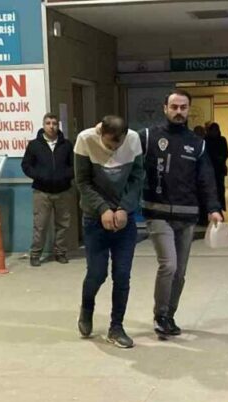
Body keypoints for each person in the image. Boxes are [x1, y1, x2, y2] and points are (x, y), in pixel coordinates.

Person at [140, 89, 223, 338]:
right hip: (157, 213)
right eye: (174, 107)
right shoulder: (148, 137)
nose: (178, 112)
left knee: (180, 272)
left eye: (183, 107)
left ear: (188, 110)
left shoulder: (197, 143)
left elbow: (206, 177)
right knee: (169, 265)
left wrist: (213, 208)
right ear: (165, 108)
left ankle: (169, 315)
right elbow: (121, 150)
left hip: (187, 215)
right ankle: (160, 315)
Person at [74, 115, 145, 349]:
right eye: (109, 144)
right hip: (95, 220)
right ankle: (87, 308)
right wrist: (103, 209)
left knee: (122, 275)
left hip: (125, 220)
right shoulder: (85, 140)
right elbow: (83, 182)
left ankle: (116, 327)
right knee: (97, 273)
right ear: (101, 134)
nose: (113, 149)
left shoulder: (133, 140)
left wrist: (124, 208)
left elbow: (137, 178)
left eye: (118, 144)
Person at [22, 113, 75, 267]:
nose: (51, 126)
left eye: (54, 123)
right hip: (42, 192)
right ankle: (35, 254)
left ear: (58, 125)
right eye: (48, 123)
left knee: (63, 224)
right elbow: (26, 165)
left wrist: (65, 176)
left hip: (63, 190)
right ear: (43, 125)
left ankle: (60, 252)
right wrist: (39, 176)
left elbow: (74, 165)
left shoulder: (66, 145)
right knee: (40, 225)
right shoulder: (34, 145)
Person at [205, 123, 228, 220]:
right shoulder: (208, 140)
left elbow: (226, 153)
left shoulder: (220, 140)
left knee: (219, 190)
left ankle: (218, 209)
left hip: (218, 169)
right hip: (212, 169)